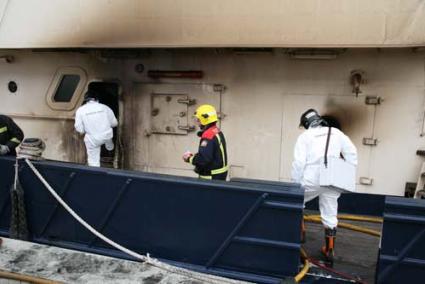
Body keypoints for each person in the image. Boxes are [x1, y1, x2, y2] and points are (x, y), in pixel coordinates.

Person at [291, 109, 357, 264]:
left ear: (307, 123)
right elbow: (352, 153)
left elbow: (298, 163)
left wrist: (295, 184)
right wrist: (347, 172)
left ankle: (301, 233)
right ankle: (329, 249)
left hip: (312, 177)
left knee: (298, 201)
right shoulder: (336, 133)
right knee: (330, 211)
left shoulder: (305, 136)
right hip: (333, 176)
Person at [182, 104, 228, 180]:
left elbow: (203, 159)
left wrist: (189, 158)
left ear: (204, 120)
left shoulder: (208, 135)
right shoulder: (216, 131)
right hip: (219, 175)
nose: (197, 122)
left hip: (211, 178)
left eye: (198, 119)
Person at [74, 91, 118, 167]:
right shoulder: (105, 107)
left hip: (93, 139)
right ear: (97, 99)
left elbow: (79, 128)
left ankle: (95, 171)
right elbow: (114, 123)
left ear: (86, 100)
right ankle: (110, 149)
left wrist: (87, 129)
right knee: (108, 138)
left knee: (93, 161)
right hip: (107, 135)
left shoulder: (80, 110)